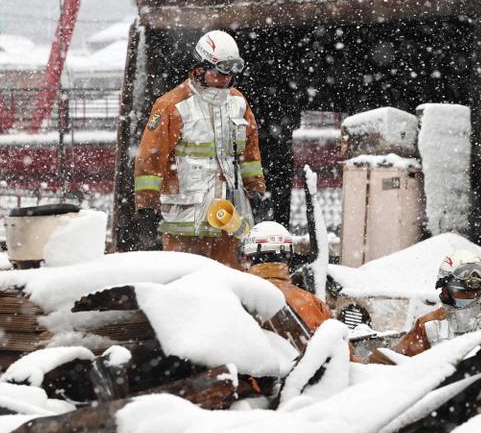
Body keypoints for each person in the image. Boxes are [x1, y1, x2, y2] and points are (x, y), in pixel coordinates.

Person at [131, 30, 267, 267]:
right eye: (221, 71)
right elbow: (150, 158)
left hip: (229, 215)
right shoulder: (172, 105)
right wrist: (146, 204)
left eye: (231, 72)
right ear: (200, 68)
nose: (226, 79)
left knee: (231, 279)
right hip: (186, 216)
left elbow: (250, 152)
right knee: (184, 280)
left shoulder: (237, 102)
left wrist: (255, 187)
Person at [387, 250, 481, 358]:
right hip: (442, 401)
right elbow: (396, 367)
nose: (471, 297)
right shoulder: (428, 325)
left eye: (476, 291)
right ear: (444, 290)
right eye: (463, 292)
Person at [242, 221, 332, 333]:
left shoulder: (236, 301)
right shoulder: (314, 304)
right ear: (289, 260)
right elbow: (339, 347)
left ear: (247, 259)